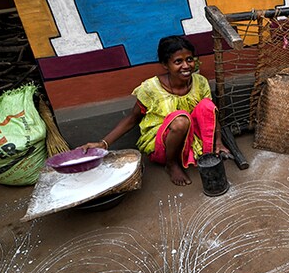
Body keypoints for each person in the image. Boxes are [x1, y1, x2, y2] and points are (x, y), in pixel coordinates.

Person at [81, 35, 229, 186]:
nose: (186, 66)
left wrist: (218, 141)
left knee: (207, 105)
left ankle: (209, 150)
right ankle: (171, 165)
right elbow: (132, 118)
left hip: (192, 140)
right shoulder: (150, 88)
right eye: (178, 61)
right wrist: (103, 143)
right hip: (162, 144)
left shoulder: (200, 82)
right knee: (180, 120)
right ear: (165, 64)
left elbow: (210, 114)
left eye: (189, 59)